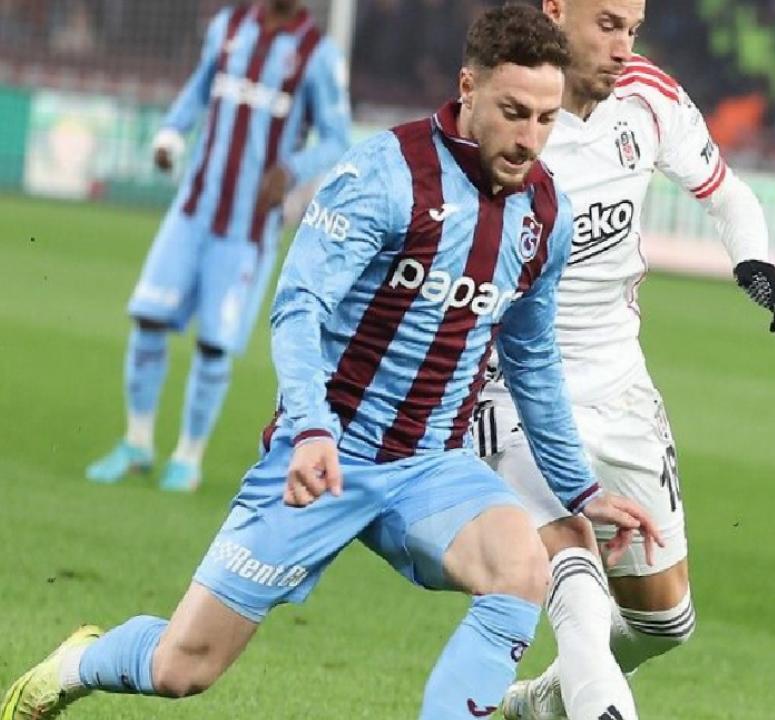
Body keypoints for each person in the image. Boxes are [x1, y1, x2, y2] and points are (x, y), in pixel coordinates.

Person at [1, 7, 661, 720]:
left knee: (522, 566)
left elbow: (531, 359)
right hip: (325, 455)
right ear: (468, 88)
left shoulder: (545, 215)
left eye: (546, 118)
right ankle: (76, 663)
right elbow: (299, 307)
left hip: (431, 468)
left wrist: (579, 490)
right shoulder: (384, 173)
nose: (530, 138)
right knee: (181, 668)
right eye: (513, 113)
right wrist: (311, 428)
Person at [482, 2, 775, 718]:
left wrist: (753, 260)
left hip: (620, 385)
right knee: (574, 570)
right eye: (607, 24)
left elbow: (727, 193)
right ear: (556, 10)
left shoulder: (649, 97)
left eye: (633, 29)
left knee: (664, 621)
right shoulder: (510, 110)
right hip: (513, 384)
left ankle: (540, 705)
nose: (623, 46)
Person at [85, 0, 351, 491]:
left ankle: (188, 458)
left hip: (246, 228)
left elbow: (337, 138)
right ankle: (137, 443)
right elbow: (200, 87)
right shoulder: (229, 26)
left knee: (214, 344)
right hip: (192, 210)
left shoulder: (317, 54)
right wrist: (171, 132)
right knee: (148, 318)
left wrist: (291, 169)